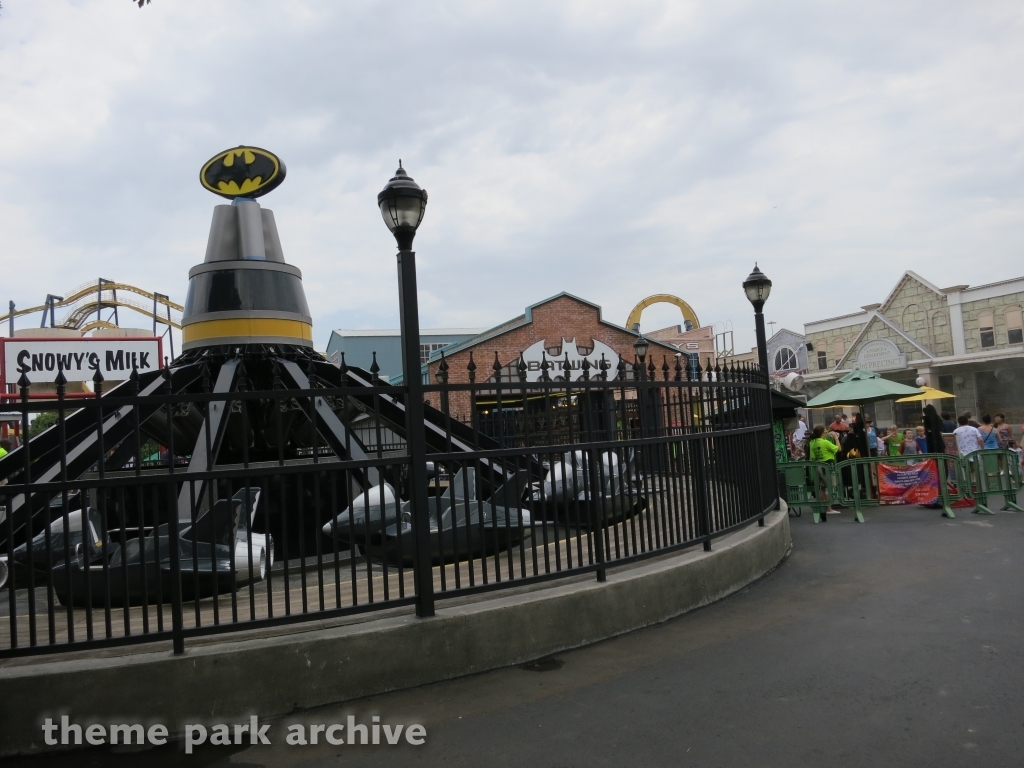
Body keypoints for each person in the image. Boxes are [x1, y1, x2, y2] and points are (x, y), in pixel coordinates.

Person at [809, 425, 841, 515]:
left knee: (822, 487)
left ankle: (823, 506)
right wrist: (836, 437)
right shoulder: (825, 442)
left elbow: (813, 458)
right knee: (830, 487)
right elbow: (839, 449)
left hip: (818, 465)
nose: (827, 432)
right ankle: (829, 508)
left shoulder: (812, 442)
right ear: (822, 433)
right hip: (827, 465)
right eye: (826, 431)